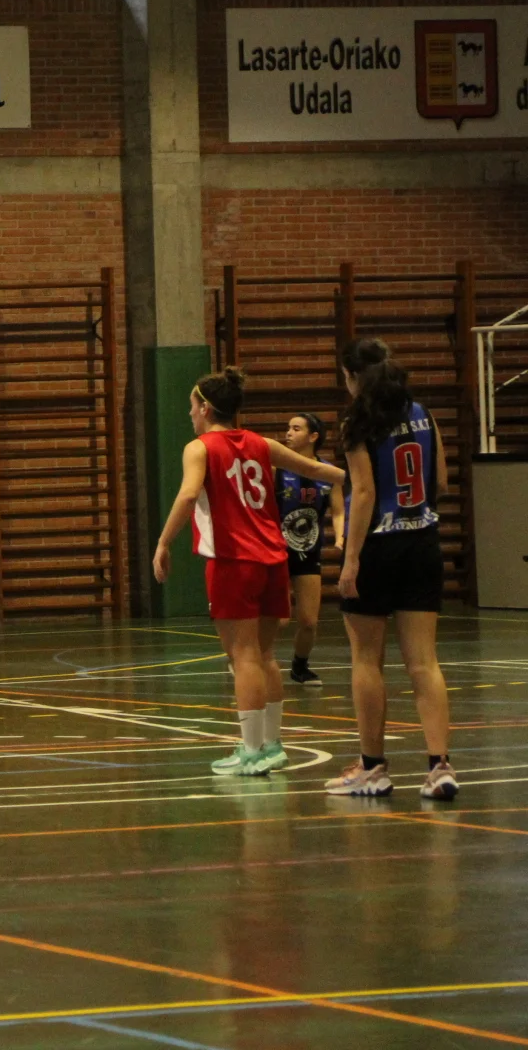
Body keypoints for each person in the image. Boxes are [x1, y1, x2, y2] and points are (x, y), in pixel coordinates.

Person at [153, 368, 343, 777]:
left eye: (191, 406)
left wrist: (164, 542)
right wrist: (367, 483)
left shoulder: (199, 448)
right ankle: (272, 745)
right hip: (274, 559)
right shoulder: (262, 443)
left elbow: (188, 494)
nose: (190, 414)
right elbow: (320, 471)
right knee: (264, 655)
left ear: (206, 408)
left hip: (234, 562)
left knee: (243, 658)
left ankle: (252, 750)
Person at [326, 339, 457, 800]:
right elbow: (441, 480)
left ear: (353, 377)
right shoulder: (423, 413)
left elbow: (362, 492)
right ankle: (439, 766)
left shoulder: (357, 421)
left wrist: (352, 559)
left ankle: (372, 767)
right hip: (423, 542)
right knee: (424, 662)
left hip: (378, 546)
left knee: (366, 659)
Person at [277, 412, 345, 688]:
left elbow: (338, 510)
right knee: (280, 619)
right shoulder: (277, 468)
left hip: (308, 551)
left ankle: (300, 667)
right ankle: (248, 656)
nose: (288, 433)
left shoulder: (328, 473)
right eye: (288, 428)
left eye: (296, 429)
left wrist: (340, 536)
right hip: (276, 552)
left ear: (313, 436)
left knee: (308, 621)